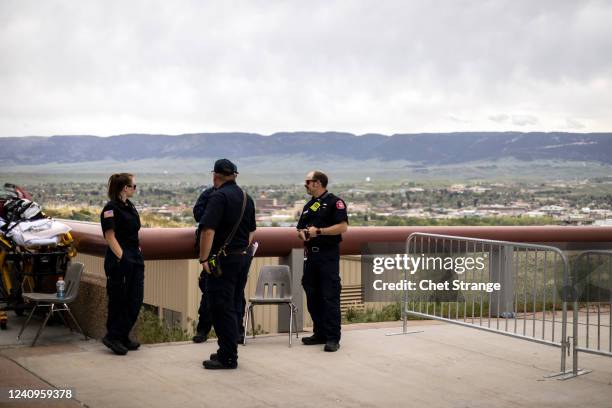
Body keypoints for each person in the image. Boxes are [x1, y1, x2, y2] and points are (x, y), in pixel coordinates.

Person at [199, 159, 256, 369]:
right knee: (231, 305)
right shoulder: (246, 198)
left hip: (222, 261)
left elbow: (207, 230)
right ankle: (227, 350)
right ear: (234, 175)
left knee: (220, 307)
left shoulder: (218, 196)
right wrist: (239, 250)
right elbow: (252, 231)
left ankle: (228, 357)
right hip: (241, 258)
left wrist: (204, 258)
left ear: (215, 176)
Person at [297, 170, 348, 352]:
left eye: (307, 182)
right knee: (312, 294)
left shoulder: (335, 202)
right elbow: (300, 229)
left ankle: (333, 337)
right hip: (311, 256)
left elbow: (343, 227)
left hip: (327, 255)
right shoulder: (309, 206)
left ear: (317, 183)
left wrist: (319, 231)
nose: (305, 185)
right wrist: (303, 233)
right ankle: (320, 332)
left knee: (329, 295)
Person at [100, 173, 144, 356]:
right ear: (125, 188)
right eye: (134, 186)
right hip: (121, 260)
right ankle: (114, 337)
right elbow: (109, 236)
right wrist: (122, 257)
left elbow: (132, 231)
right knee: (119, 299)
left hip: (135, 257)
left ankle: (121, 335)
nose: (135, 189)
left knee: (135, 299)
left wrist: (137, 250)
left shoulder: (129, 206)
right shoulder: (110, 208)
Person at [192, 186, 216, 343]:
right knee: (233, 295)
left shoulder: (209, 195)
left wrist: (204, 258)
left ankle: (202, 331)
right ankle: (237, 332)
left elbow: (198, 215)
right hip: (225, 254)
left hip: (214, 254)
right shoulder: (241, 196)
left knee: (209, 292)